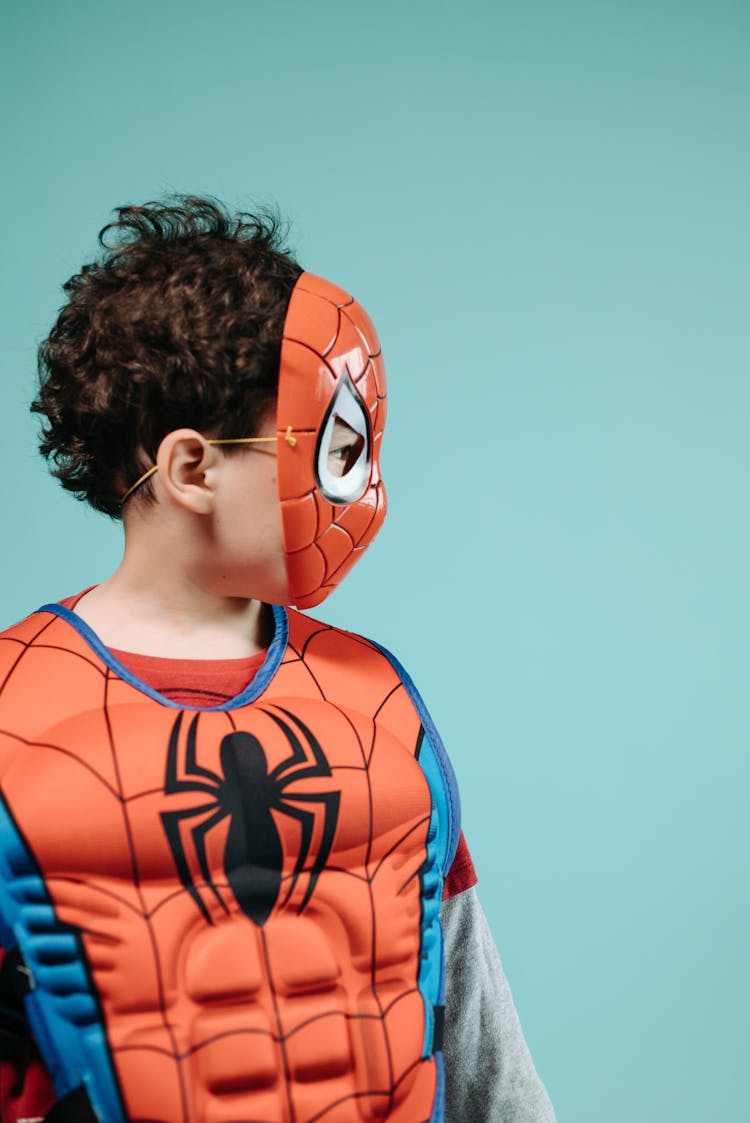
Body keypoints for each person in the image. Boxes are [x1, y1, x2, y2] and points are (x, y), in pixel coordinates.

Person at [0, 197, 555, 1123]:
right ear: (191, 470)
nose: (368, 493)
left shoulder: (378, 707)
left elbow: (476, 1027)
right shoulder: (17, 711)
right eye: (338, 453)